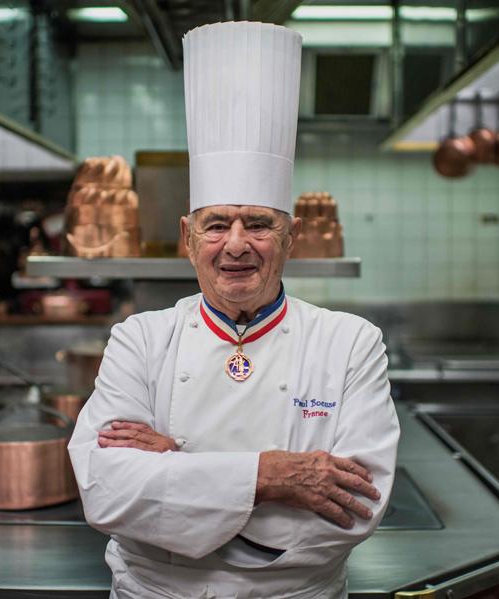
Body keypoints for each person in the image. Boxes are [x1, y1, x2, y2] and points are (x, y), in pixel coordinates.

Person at [68, 20, 400, 599]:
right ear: (189, 238)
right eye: (217, 224)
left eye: (260, 225)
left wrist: (175, 469)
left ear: (290, 238)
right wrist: (273, 476)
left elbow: (356, 508)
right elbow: (106, 492)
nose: (238, 244)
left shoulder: (351, 342)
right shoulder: (139, 339)